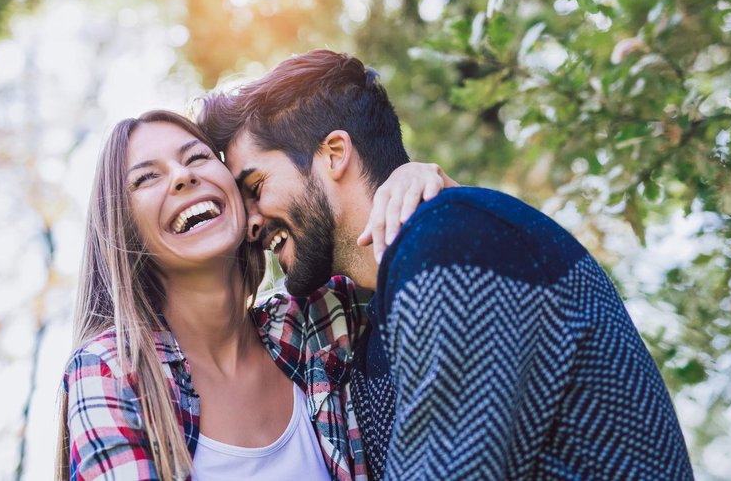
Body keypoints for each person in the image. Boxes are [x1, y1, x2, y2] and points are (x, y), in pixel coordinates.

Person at [199, 49, 695, 480]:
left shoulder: (452, 241)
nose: (250, 224)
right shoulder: (368, 320)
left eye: (257, 187)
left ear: (333, 155)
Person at [55, 109, 447, 481]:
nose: (182, 176)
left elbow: (434, 278)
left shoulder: (316, 320)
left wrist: (413, 186)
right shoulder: (110, 371)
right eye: (146, 178)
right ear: (124, 230)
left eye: (197, 157)